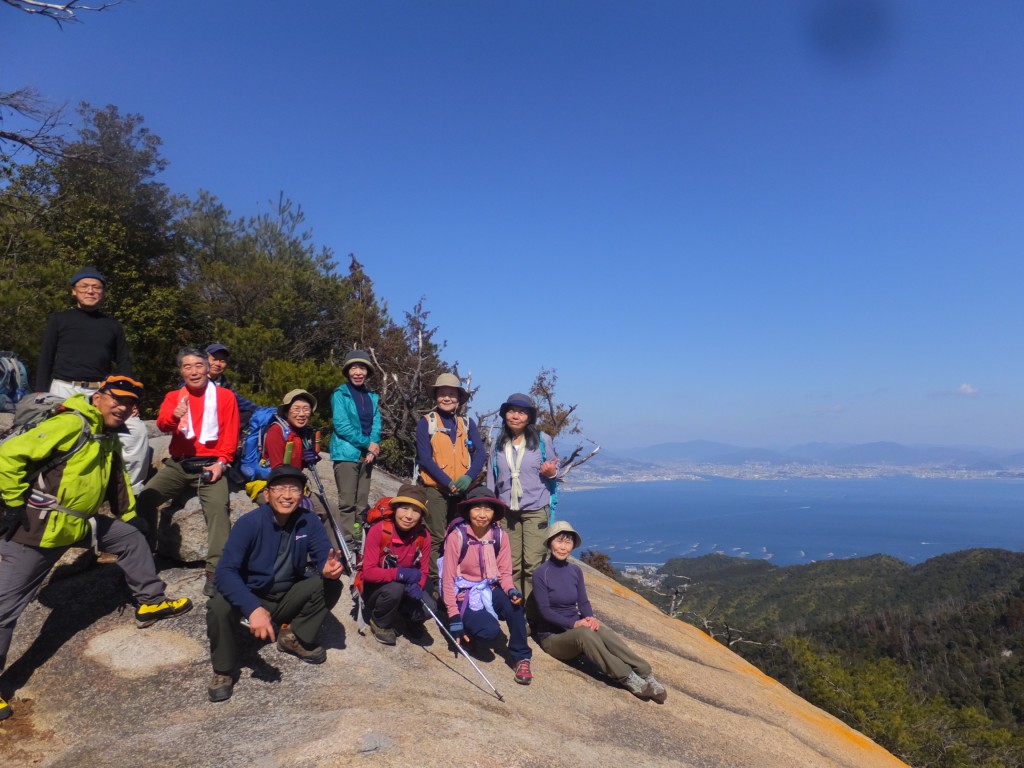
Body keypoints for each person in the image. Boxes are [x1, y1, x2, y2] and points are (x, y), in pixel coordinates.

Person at [0, 376, 193, 721]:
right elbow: (8, 456)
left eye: (130, 403)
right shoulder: (71, 423)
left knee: (130, 538)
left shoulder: (106, 436)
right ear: (99, 396)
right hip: (38, 529)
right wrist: (15, 503)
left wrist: (132, 517)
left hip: (79, 523)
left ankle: (150, 601)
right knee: (4, 611)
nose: (123, 407)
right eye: (117, 399)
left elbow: (118, 481)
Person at [205, 465, 343, 702]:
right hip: (253, 595)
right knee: (218, 605)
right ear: (267, 494)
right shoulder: (249, 523)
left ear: (302, 495)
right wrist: (253, 608)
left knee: (331, 585)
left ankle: (293, 637)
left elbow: (323, 556)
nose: (287, 495)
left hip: (287, 595)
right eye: (280, 488)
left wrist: (328, 570)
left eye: (294, 489)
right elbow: (225, 572)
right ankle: (223, 670)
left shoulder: (308, 521)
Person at [136, 348, 239, 598]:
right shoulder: (174, 396)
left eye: (198, 365)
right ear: (181, 371)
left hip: (210, 464)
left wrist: (221, 463)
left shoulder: (225, 397)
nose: (193, 371)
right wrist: (175, 416)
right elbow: (162, 424)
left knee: (217, 511)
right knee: (146, 498)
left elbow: (231, 435)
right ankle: (144, 560)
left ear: (207, 367)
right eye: (186, 366)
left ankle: (214, 571)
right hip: (179, 464)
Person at [36, 266, 150, 493]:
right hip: (63, 389)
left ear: (103, 292)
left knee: (136, 432)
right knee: (52, 437)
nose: (90, 291)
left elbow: (124, 362)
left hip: (101, 392)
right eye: (84, 286)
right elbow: (46, 356)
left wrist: (130, 400)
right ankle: (46, 490)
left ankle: (130, 493)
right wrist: (40, 392)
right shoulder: (60, 320)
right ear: (74, 291)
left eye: (96, 287)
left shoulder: (112, 326)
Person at [532, 521, 668, 703]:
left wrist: (589, 617)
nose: (563, 547)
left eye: (568, 542)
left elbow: (583, 601)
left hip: (576, 628)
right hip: (553, 638)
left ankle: (644, 671)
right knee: (585, 635)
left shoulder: (575, 570)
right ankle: (628, 677)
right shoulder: (541, 573)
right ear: (550, 543)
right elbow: (544, 611)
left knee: (604, 632)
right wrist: (574, 624)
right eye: (559, 541)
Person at [441, 486, 533, 685]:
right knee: (489, 633)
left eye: (487, 509)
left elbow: (505, 574)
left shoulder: (499, 537)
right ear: (468, 511)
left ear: (494, 513)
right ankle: (467, 627)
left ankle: (521, 657)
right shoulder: (457, 537)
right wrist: (453, 615)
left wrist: (511, 590)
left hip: (488, 587)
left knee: (515, 605)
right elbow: (448, 580)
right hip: (464, 591)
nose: (482, 515)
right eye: (477, 509)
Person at [489, 392, 558, 606]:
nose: (515, 416)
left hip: (535, 508)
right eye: (511, 411)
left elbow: (555, 466)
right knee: (510, 564)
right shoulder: (497, 442)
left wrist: (551, 472)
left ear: (529, 417)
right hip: (506, 510)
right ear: (505, 414)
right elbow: (492, 475)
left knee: (533, 565)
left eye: (521, 412)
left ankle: (532, 612)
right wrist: (490, 506)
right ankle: (515, 610)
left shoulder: (542, 439)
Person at [416, 373, 486, 583]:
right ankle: (433, 583)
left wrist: (468, 477)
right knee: (436, 536)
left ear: (458, 398)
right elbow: (425, 459)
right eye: (442, 393)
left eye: (452, 394)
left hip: (463, 489)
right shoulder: (426, 422)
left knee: (459, 536)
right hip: (436, 489)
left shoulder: (466, 423)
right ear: (436, 396)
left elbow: (480, 453)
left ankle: (458, 579)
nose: (447, 398)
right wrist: (448, 482)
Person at [361, 484, 434, 646]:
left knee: (430, 606)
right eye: (404, 508)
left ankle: (408, 618)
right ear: (395, 509)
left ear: (421, 515)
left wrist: (419, 586)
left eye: (416, 511)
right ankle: (380, 622)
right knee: (395, 588)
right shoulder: (379, 530)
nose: (409, 516)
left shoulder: (424, 536)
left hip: (404, 586)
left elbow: (423, 570)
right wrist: (400, 574)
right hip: (377, 589)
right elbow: (368, 572)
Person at [329, 350, 380, 552]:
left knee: (361, 503)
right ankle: (347, 543)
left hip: (366, 455)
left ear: (367, 372)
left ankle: (358, 538)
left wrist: (373, 447)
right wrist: (367, 444)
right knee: (347, 502)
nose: (358, 372)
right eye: (353, 368)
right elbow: (341, 426)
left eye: (362, 368)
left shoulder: (372, 397)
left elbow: (376, 423)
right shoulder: (340, 394)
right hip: (346, 454)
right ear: (347, 371)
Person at [204, 342, 258, 419]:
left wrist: (264, 411)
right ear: (204, 360)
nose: (218, 364)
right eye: (214, 359)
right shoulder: (194, 381)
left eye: (222, 361)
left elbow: (242, 403)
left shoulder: (224, 385)